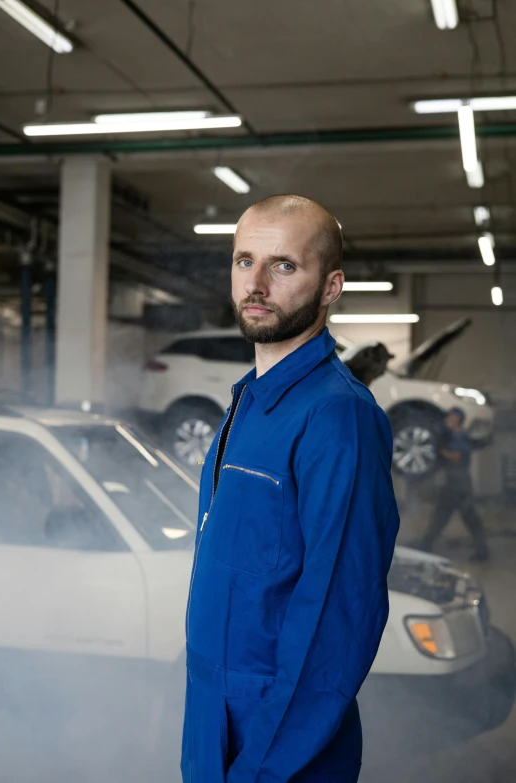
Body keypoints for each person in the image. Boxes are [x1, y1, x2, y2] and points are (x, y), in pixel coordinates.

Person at [181, 194, 400, 783]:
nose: (255, 284)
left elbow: (340, 612)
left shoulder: (336, 416)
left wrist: (263, 767)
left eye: (283, 265)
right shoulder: (246, 402)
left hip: (278, 733)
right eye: (242, 260)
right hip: (210, 710)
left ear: (331, 287)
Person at [420, 407, 490, 562]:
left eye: (450, 416)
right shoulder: (451, 436)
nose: (447, 419)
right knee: (441, 515)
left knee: (469, 518)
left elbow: (457, 456)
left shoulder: (460, 436)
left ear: (457, 419)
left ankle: (482, 551)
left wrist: (441, 452)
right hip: (452, 482)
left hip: (460, 484)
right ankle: (426, 544)